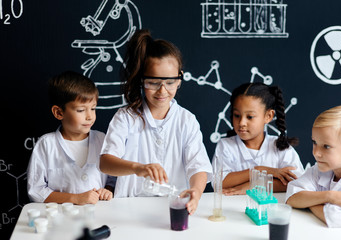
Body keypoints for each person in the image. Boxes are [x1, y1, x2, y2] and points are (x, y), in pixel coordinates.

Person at [99, 29, 212, 215]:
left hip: (174, 208)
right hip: (128, 209)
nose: (162, 91)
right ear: (142, 80)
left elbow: (198, 166)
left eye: (169, 82)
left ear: (179, 79)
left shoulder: (187, 120)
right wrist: (138, 168)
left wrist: (196, 192)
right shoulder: (126, 117)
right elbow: (105, 163)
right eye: (153, 82)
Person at [27, 71, 115, 204]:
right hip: (61, 217)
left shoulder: (101, 139)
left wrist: (107, 191)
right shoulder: (46, 144)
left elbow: (112, 180)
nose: (90, 116)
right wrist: (75, 198)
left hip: (98, 213)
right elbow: (36, 190)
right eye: (80, 110)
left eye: (93, 108)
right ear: (59, 112)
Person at [212, 82, 304, 195]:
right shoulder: (225, 146)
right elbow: (219, 182)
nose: (242, 123)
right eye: (237, 115)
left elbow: (296, 182)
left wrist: (254, 185)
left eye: (250, 117)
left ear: (268, 116)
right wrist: (259, 170)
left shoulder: (281, 148)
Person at [286, 105, 341, 228]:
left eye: (326, 146)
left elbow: (336, 218)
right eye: (314, 142)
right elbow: (292, 197)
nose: (316, 153)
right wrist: (330, 196)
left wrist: (309, 202)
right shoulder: (320, 169)